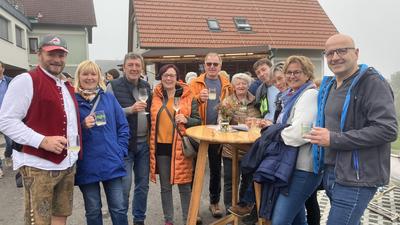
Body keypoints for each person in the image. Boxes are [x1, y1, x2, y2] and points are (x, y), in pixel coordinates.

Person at [305, 34, 398, 225]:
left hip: (357, 176)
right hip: (332, 171)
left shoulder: (372, 83)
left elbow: (387, 129)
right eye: (330, 53)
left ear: (356, 53)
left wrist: (334, 139)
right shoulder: (330, 85)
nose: (335, 57)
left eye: (342, 51)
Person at [0, 34, 80, 225]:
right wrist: (42, 140)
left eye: (61, 55)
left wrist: (75, 154)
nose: (57, 59)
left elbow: (70, 123)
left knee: (61, 216)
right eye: (51, 54)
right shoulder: (26, 80)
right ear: (39, 54)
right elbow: (6, 121)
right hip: (38, 166)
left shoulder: (65, 84)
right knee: (39, 221)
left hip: (66, 164)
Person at [74, 60, 130, 225]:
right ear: (79, 76)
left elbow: (123, 127)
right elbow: (67, 132)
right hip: (87, 163)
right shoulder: (73, 101)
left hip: (111, 160)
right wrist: (82, 126)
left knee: (119, 208)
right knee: (92, 210)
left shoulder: (108, 98)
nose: (89, 77)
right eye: (85, 74)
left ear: (99, 76)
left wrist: (120, 151)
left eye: (93, 74)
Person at [149, 64, 201, 225]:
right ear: (161, 77)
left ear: (177, 78)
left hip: (181, 146)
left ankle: (188, 219)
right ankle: (168, 220)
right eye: (165, 75)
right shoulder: (155, 96)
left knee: (184, 187)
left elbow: (198, 121)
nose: (168, 78)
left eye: (171, 75)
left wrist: (187, 120)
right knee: (165, 187)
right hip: (161, 147)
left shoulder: (187, 96)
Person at [107, 52, 151, 225]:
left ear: (141, 68)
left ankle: (139, 220)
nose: (134, 68)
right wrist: (129, 110)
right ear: (124, 67)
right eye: (130, 65)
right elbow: (108, 114)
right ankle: (121, 220)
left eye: (137, 65)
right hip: (124, 145)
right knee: (124, 188)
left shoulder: (146, 86)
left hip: (144, 145)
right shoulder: (113, 86)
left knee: (143, 186)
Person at [189, 52, 233, 218]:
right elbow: (186, 102)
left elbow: (234, 104)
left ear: (221, 66)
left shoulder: (227, 85)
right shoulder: (195, 83)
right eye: (209, 64)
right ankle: (194, 208)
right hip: (198, 133)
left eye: (215, 64)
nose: (212, 67)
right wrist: (198, 98)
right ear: (204, 65)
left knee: (215, 169)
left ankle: (214, 203)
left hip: (217, 133)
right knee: (195, 170)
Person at [220, 73, 260, 215]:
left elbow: (261, 121)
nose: (241, 86)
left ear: (248, 85)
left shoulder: (256, 100)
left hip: (251, 149)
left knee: (247, 180)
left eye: (244, 83)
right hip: (231, 149)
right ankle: (229, 210)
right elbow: (222, 124)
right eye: (238, 84)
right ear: (233, 86)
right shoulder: (227, 102)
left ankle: (243, 208)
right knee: (230, 181)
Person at [253, 58, 279, 122]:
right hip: (267, 125)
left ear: (272, 68)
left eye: (264, 70)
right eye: (258, 73)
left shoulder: (282, 85)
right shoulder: (259, 91)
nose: (261, 74)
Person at [0, 61, 13, 177]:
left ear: (3, 69)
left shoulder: (10, 82)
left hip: (6, 117)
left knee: (10, 142)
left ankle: (8, 155)